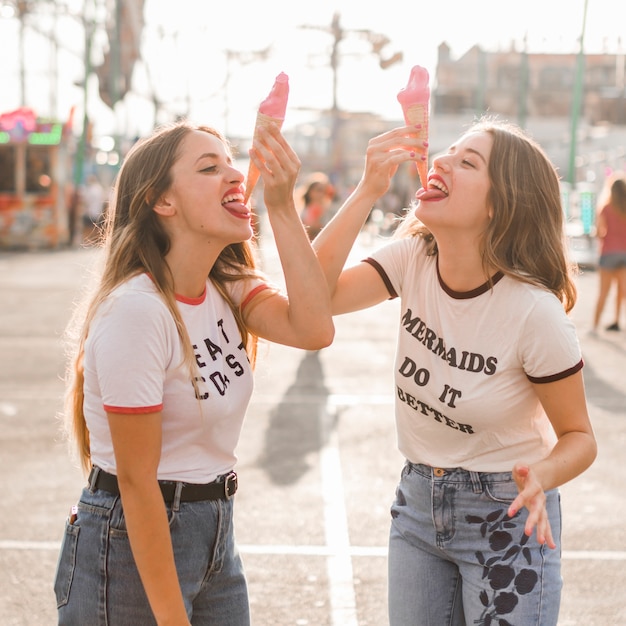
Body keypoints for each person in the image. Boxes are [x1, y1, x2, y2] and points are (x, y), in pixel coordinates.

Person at [313, 117, 597, 625]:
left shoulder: (535, 313)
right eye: (448, 151)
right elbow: (316, 297)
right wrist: (366, 190)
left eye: (468, 162)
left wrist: (544, 476)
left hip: (507, 516)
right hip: (418, 505)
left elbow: (579, 436)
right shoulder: (413, 258)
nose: (441, 161)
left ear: (500, 204)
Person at [53, 120, 334, 625]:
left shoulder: (226, 284)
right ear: (164, 202)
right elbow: (138, 483)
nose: (234, 174)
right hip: (136, 534)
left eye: (231, 162)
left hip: (214, 527)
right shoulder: (138, 311)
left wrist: (280, 205)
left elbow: (314, 329)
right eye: (209, 167)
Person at [591, 173, 626, 333]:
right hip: (624, 254)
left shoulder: (605, 208)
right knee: (622, 291)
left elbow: (599, 232)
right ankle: (617, 321)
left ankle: (594, 327)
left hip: (608, 254)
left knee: (603, 293)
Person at [298, 172, 335, 241]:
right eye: (319, 190)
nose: (322, 194)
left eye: (324, 191)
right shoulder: (305, 210)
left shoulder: (328, 210)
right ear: (310, 192)